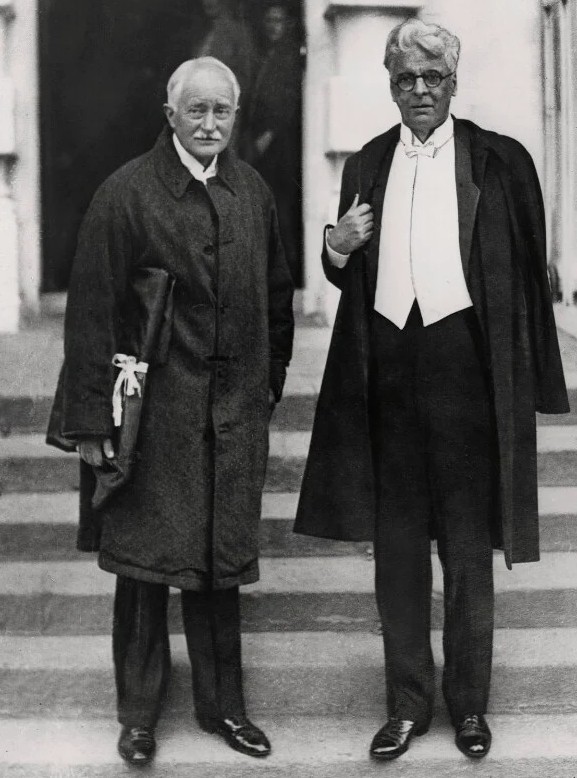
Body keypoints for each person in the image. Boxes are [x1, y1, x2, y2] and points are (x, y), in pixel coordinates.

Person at [295, 18, 568, 761]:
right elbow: (343, 262)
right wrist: (332, 246)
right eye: (405, 79)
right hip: (386, 378)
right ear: (390, 85)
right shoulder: (366, 162)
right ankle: (407, 703)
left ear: (453, 82)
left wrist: (535, 387)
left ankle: (469, 708)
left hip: (467, 378)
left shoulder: (501, 161)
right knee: (398, 552)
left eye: (431, 78)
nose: (418, 90)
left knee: (469, 551)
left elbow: (528, 283)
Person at [50, 56, 294, 766]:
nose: (210, 124)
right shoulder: (125, 194)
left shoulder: (252, 192)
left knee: (218, 568)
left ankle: (225, 712)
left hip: (230, 420)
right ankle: (137, 717)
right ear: (171, 115)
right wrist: (93, 422)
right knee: (144, 571)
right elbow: (90, 314)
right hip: (151, 421)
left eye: (222, 111)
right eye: (197, 111)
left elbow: (276, 296)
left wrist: (265, 383)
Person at [242, 2, 302, 284]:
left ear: (288, 24)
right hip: (266, 146)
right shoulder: (268, 54)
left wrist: (265, 138)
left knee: (281, 208)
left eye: (277, 20)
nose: (272, 26)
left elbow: (287, 103)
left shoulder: (289, 56)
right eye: (268, 21)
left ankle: (285, 274)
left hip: (280, 148)